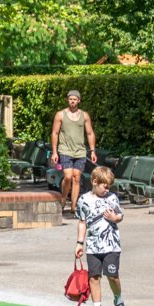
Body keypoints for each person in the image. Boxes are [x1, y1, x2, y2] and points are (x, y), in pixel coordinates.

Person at [75, 164, 130, 306]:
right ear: (94, 181)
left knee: (112, 276)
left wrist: (115, 218)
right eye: (104, 186)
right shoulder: (84, 200)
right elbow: (82, 222)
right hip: (93, 246)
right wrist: (79, 243)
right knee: (94, 277)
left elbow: (120, 215)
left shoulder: (112, 198)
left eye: (109, 187)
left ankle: (118, 300)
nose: (107, 190)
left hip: (111, 245)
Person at [50, 89, 98, 221]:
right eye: (70, 99)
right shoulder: (60, 115)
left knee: (77, 178)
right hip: (65, 150)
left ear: (79, 100)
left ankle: (74, 205)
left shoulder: (84, 115)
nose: (72, 101)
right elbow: (54, 133)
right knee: (68, 176)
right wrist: (54, 152)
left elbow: (90, 133)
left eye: (75, 99)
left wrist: (92, 150)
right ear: (68, 100)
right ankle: (64, 198)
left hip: (80, 151)